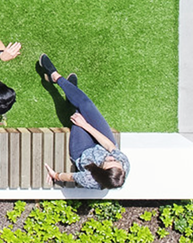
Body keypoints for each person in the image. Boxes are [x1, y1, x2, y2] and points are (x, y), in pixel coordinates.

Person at [38, 53, 130, 189]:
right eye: (116, 161)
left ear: (101, 171)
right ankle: (55, 77)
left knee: (78, 114)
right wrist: (85, 125)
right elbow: (110, 147)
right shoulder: (123, 164)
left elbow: (69, 177)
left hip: (83, 151)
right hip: (102, 143)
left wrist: (55, 175)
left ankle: (71, 92)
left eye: (110, 161)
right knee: (86, 106)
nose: (113, 158)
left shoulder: (90, 179)